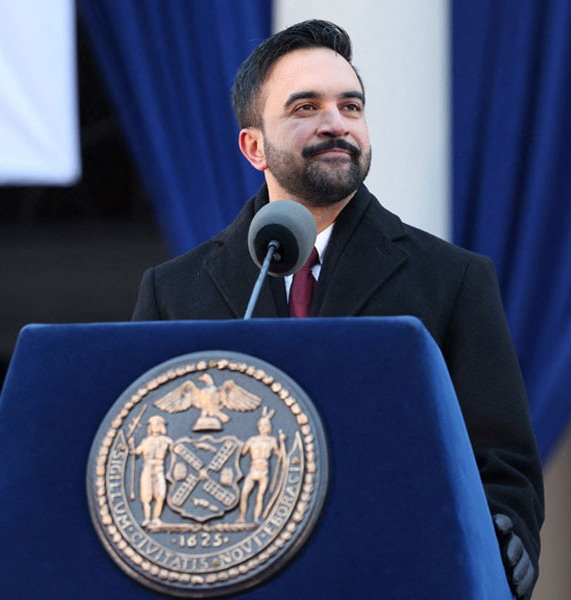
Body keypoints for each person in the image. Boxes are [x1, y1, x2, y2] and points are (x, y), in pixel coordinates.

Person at [132, 20, 543, 598]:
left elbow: (502, 460)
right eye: (305, 107)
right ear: (254, 147)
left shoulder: (452, 279)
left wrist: (506, 535)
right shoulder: (174, 291)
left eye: (351, 106)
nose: (336, 124)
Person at [134, 415, 173, 527]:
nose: (155, 426)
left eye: (157, 423)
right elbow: (136, 452)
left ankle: (156, 518)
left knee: (160, 494)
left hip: (159, 469)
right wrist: (129, 446)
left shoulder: (167, 441)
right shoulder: (145, 441)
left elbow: (176, 451)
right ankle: (147, 518)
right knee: (146, 495)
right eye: (153, 424)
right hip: (147, 469)